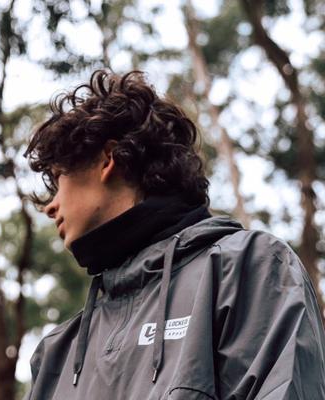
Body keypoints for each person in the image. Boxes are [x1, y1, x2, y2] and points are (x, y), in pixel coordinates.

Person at [22, 70, 325, 399]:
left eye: (58, 178)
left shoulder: (246, 268)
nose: (50, 206)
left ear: (108, 158)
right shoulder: (55, 355)